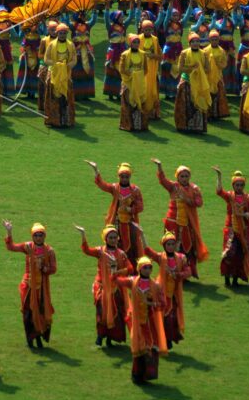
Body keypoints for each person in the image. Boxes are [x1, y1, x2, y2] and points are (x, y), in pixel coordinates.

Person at [75, 223, 132, 347]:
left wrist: (116, 270)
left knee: (116, 313)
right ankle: (100, 335)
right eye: (110, 237)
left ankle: (110, 338)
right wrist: (83, 235)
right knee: (101, 312)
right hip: (101, 287)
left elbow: (130, 268)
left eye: (114, 237)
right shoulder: (100, 251)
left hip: (116, 288)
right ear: (105, 238)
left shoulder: (121, 254)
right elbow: (87, 250)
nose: (113, 240)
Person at [4, 220, 56, 349]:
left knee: (41, 311)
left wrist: (44, 268)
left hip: (42, 287)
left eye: (40, 235)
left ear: (44, 236)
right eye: (36, 235)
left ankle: (39, 336)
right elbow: (11, 247)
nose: (38, 237)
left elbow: (53, 268)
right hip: (28, 286)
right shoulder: (27, 247)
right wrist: (9, 231)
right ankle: (31, 338)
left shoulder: (49, 251)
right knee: (28, 312)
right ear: (32, 236)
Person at [116, 255, 167, 385]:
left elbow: (162, 304)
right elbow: (117, 280)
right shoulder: (132, 281)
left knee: (149, 348)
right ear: (139, 269)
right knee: (138, 346)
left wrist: (150, 304)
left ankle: (147, 375)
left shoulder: (155, 285)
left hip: (149, 323)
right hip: (136, 321)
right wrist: (115, 270)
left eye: (150, 267)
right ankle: (137, 376)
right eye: (145, 268)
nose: (148, 270)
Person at [153, 159, 208, 278]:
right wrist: (160, 166)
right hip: (172, 223)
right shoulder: (173, 187)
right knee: (171, 247)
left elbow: (199, 202)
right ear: (177, 177)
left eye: (186, 176)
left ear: (189, 177)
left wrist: (188, 200)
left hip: (187, 224)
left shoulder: (194, 189)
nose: (184, 178)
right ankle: (169, 272)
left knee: (187, 248)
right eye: (182, 176)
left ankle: (185, 273)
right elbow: (162, 180)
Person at [87, 160, 144, 264]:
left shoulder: (135, 190)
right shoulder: (115, 188)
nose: (124, 179)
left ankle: (131, 267)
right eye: (122, 176)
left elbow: (141, 206)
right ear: (119, 177)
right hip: (116, 221)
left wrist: (130, 209)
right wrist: (96, 170)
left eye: (126, 177)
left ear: (130, 177)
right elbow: (103, 185)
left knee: (131, 245)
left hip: (129, 222)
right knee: (114, 242)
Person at [213, 166, 249, 287]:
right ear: (233, 185)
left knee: (240, 255)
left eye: (241, 185)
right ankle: (227, 277)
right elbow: (219, 192)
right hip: (231, 230)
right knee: (229, 253)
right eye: (237, 185)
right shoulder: (230, 196)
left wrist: (246, 214)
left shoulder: (248, 198)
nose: (239, 187)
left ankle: (235, 280)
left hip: (243, 230)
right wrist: (219, 176)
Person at [174, 33, 211, 133]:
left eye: (197, 41)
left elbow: (208, 69)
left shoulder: (203, 53)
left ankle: (197, 127)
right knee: (186, 104)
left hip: (199, 82)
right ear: (189, 43)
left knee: (198, 103)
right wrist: (192, 68)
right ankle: (184, 126)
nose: (195, 44)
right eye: (193, 42)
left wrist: (199, 70)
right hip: (187, 81)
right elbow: (180, 69)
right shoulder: (184, 53)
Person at [42, 23, 76, 127]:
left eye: (64, 33)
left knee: (66, 98)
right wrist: (56, 65)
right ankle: (54, 121)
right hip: (53, 74)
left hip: (66, 74)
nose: (62, 35)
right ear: (57, 33)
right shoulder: (51, 45)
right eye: (60, 33)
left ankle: (66, 121)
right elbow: (46, 59)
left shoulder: (71, 45)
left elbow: (74, 59)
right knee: (54, 98)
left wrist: (66, 66)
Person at [118, 34, 149, 131]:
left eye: (138, 42)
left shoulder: (143, 54)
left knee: (140, 102)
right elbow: (121, 69)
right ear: (130, 43)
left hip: (139, 83)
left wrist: (138, 76)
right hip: (128, 83)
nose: (136, 44)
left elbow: (145, 70)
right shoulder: (124, 55)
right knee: (128, 104)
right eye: (134, 42)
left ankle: (140, 125)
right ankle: (128, 125)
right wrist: (132, 74)